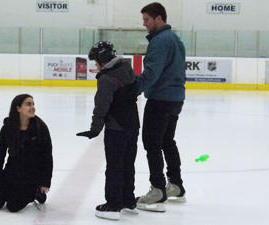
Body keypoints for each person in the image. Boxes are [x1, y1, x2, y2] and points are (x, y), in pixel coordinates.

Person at [76, 41, 140, 220]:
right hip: (133, 125)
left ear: (103, 59)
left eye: (96, 61)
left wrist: (94, 129)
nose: (96, 65)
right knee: (128, 164)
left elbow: (101, 107)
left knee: (114, 166)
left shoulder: (106, 79)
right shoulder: (127, 69)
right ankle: (128, 201)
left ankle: (112, 205)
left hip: (116, 128)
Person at [135, 2, 187, 212]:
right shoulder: (175, 39)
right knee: (167, 140)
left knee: (152, 142)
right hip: (175, 99)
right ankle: (175, 185)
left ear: (159, 18)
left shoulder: (159, 41)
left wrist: (132, 90)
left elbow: (151, 73)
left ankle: (158, 189)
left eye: (147, 20)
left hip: (161, 99)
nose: (145, 24)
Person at [0, 94, 53, 212]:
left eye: (33, 104)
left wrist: (45, 181)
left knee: (13, 206)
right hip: (12, 171)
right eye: (28, 104)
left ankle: (36, 191)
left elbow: (47, 156)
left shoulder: (40, 128)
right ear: (18, 108)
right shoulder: (8, 128)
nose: (33, 107)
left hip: (32, 174)